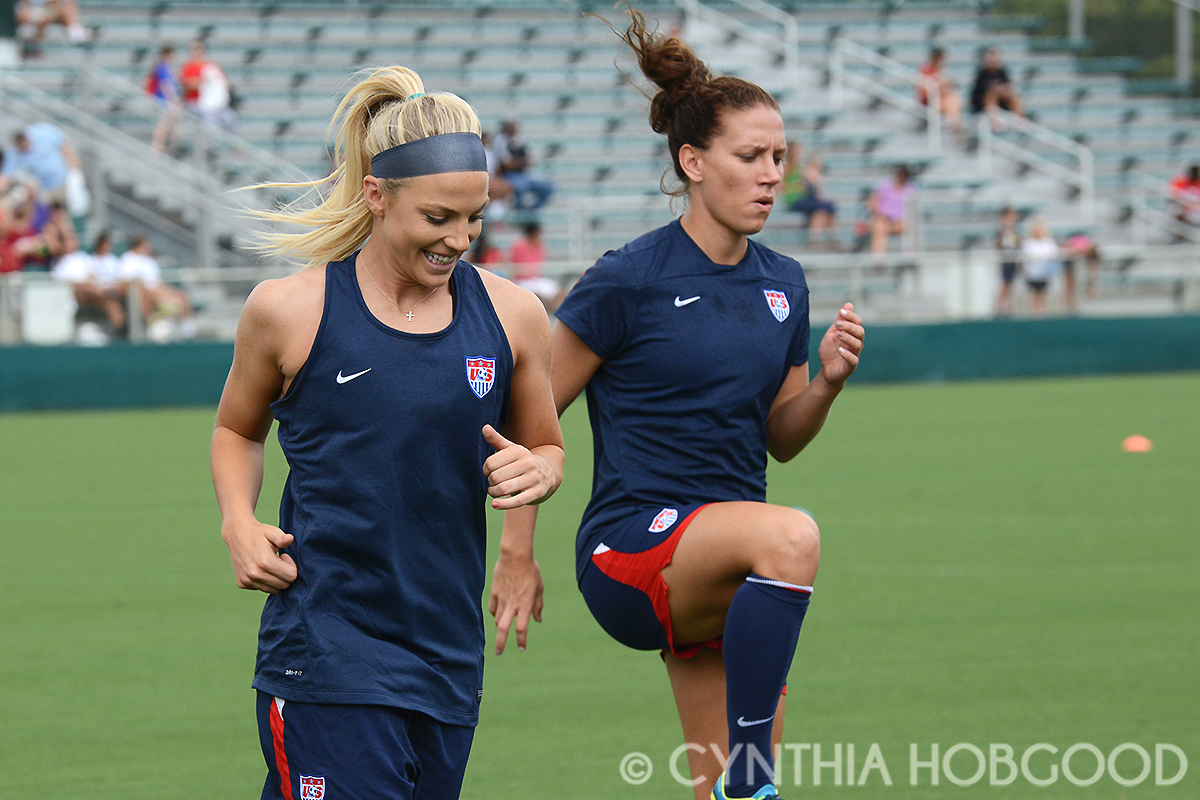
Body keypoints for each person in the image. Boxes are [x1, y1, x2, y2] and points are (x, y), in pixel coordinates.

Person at [506, 10, 865, 800]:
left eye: (779, 156)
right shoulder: (628, 278)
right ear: (694, 162)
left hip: (729, 566)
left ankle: (743, 785)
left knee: (722, 793)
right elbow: (530, 424)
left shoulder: (785, 282)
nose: (773, 174)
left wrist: (829, 384)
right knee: (794, 537)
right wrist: (517, 554)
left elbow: (782, 437)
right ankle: (752, 778)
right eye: (751, 157)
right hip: (631, 552)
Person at [210, 65, 564, 800]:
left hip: (446, 660)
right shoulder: (288, 310)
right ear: (377, 194)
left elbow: (543, 445)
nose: (459, 239)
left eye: (474, 218)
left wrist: (542, 473)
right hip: (325, 654)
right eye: (438, 219)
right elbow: (236, 431)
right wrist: (238, 523)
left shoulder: (513, 315)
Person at [117, 235, 196, 339]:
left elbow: (156, 280)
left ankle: (187, 331)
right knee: (147, 291)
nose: (148, 248)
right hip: (141, 291)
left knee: (181, 296)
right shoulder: (128, 258)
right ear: (138, 245)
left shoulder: (150, 261)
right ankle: (156, 323)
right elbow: (126, 279)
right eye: (145, 245)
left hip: (155, 289)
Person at [52, 230, 126, 333]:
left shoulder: (82, 257)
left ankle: (120, 330)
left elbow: (91, 275)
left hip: (93, 291)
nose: (71, 243)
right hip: (76, 293)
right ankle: (105, 293)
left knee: (110, 303)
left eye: (72, 240)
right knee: (91, 289)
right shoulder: (59, 262)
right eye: (68, 241)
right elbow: (65, 283)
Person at [2, 123, 81, 206]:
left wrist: (72, 161)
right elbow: (6, 176)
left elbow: (63, 141)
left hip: (64, 180)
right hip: (44, 189)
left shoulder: (41, 133)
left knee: (73, 206)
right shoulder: (14, 153)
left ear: (27, 139)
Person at [781, 142, 837, 247]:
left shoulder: (799, 166)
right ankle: (824, 238)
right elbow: (784, 186)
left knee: (823, 209)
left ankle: (822, 238)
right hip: (794, 199)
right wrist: (800, 186)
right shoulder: (788, 166)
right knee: (826, 206)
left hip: (803, 197)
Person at [493, 120, 554, 211]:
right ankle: (520, 213)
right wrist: (521, 162)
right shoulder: (500, 140)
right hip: (509, 175)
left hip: (523, 174)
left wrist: (517, 162)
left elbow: (528, 160)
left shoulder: (519, 139)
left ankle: (533, 212)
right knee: (520, 188)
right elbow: (507, 164)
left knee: (547, 187)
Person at [508, 221, 563, 311]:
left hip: (536, 279)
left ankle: (557, 316)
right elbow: (515, 266)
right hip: (522, 280)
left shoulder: (540, 245)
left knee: (559, 292)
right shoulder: (518, 245)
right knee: (537, 296)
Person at [868, 165, 916, 255]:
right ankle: (878, 261)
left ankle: (909, 258)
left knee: (913, 228)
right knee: (878, 227)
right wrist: (880, 215)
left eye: (904, 175)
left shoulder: (911, 188)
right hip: (885, 220)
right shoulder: (884, 185)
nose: (901, 177)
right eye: (900, 174)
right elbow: (873, 201)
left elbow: (914, 208)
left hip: (902, 221)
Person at [970, 47, 1023, 127]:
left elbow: (1008, 87)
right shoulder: (982, 74)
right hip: (984, 103)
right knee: (992, 93)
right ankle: (994, 120)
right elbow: (979, 93)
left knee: (1012, 95)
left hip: (1002, 101)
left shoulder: (1002, 73)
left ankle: (1019, 119)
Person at [918, 47, 963, 137]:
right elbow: (924, 91)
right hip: (929, 101)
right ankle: (955, 124)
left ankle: (954, 122)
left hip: (940, 99)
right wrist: (941, 88)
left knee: (952, 98)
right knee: (951, 99)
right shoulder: (926, 71)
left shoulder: (940, 71)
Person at [147, 44, 183, 154]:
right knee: (163, 123)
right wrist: (171, 99)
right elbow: (164, 85)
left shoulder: (167, 67)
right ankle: (157, 145)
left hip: (166, 99)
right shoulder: (162, 67)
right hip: (164, 100)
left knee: (171, 122)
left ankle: (171, 143)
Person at [1021, 218, 1057, 315]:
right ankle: (1034, 313)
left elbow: (1053, 254)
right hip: (1032, 273)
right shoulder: (1028, 242)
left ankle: (1042, 313)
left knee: (1043, 293)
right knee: (1034, 294)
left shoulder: (1048, 242)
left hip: (1044, 273)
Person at [994, 206, 1021, 315]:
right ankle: (999, 308)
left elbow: (1018, 244)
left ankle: (1009, 307)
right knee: (1005, 284)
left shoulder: (1015, 231)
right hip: (1005, 261)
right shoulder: (1001, 231)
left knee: (1010, 284)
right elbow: (999, 244)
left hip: (1013, 260)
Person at [1168, 164, 1200, 229]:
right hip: (1183, 209)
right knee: (1175, 210)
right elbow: (1172, 197)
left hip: (1196, 211)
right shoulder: (1181, 182)